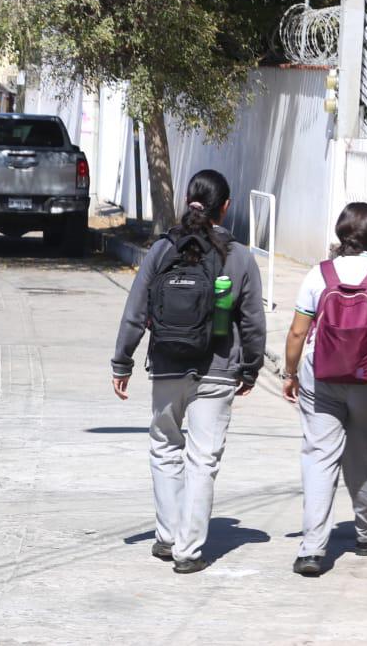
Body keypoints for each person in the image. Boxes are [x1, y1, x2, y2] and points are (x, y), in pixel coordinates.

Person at [111, 169, 267, 574]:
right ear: (226, 207)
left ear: (187, 201)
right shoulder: (240, 257)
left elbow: (136, 309)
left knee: (165, 447)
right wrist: (251, 367)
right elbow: (251, 321)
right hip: (217, 370)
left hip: (166, 364)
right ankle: (188, 549)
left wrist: (122, 360)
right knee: (203, 459)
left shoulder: (163, 249)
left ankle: (166, 536)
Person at [282, 202, 367, 577]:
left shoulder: (318, 275)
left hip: (321, 374)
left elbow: (297, 332)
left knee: (320, 457)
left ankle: (311, 551)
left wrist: (290, 374)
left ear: (341, 235)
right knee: (363, 454)